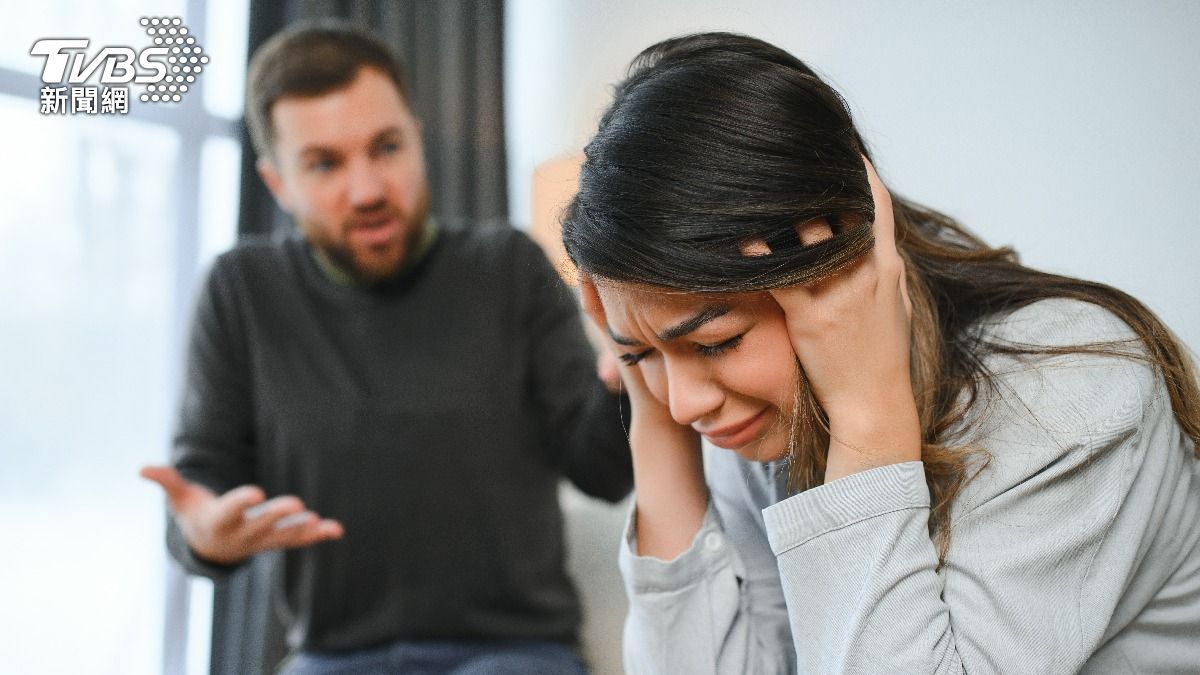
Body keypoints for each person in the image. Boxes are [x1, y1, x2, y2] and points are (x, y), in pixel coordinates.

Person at [562, 32, 1200, 674]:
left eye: (716, 342)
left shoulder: (1068, 389)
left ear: (840, 268)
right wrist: (650, 413)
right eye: (647, 357)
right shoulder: (760, 422)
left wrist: (869, 415)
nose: (686, 403)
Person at [140, 20, 633, 675]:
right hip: (332, 657)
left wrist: (627, 375)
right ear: (277, 182)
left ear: (416, 140)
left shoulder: (507, 268)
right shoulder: (242, 292)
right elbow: (199, 494)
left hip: (510, 652)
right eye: (325, 164)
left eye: (386, 147)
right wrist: (205, 534)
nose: (368, 188)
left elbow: (603, 469)